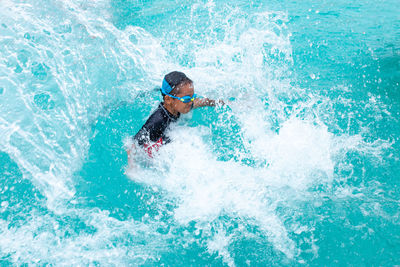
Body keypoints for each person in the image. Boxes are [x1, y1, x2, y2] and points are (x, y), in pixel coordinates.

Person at [127, 71, 222, 163]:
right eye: (187, 99)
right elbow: (132, 144)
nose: (191, 102)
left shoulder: (180, 105)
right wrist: (132, 167)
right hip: (152, 149)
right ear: (168, 99)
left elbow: (199, 102)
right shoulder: (158, 120)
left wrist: (215, 102)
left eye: (193, 97)